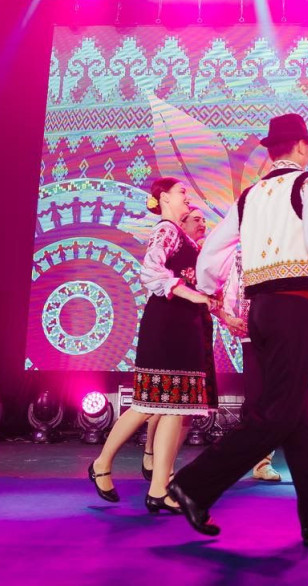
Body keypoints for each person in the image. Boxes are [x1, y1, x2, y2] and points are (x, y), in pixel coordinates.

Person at [167, 113, 308, 546]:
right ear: (300, 146)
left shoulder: (250, 195)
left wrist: (208, 287)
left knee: (300, 418)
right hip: (293, 309)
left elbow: (213, 250)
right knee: (277, 414)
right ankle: (193, 484)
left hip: (261, 311)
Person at [87, 177, 216, 514]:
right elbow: (150, 271)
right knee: (147, 404)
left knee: (176, 408)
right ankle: (101, 463)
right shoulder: (166, 230)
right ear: (164, 199)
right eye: (181, 192)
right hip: (166, 324)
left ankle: (159, 489)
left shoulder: (183, 236)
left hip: (184, 325)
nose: (186, 196)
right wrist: (192, 295)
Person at [141, 205, 218, 482]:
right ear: (182, 225)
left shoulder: (202, 255)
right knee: (163, 400)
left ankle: (167, 466)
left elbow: (210, 294)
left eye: (204, 220)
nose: (202, 224)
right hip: (174, 325)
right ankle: (150, 455)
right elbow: (156, 278)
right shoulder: (171, 242)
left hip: (197, 327)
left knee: (188, 407)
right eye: (196, 219)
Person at [216, 246, 283, 482]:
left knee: (276, 397)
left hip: (281, 332)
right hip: (252, 332)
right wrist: (229, 318)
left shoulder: (283, 249)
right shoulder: (241, 255)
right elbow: (229, 291)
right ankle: (253, 458)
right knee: (255, 397)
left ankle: (264, 460)